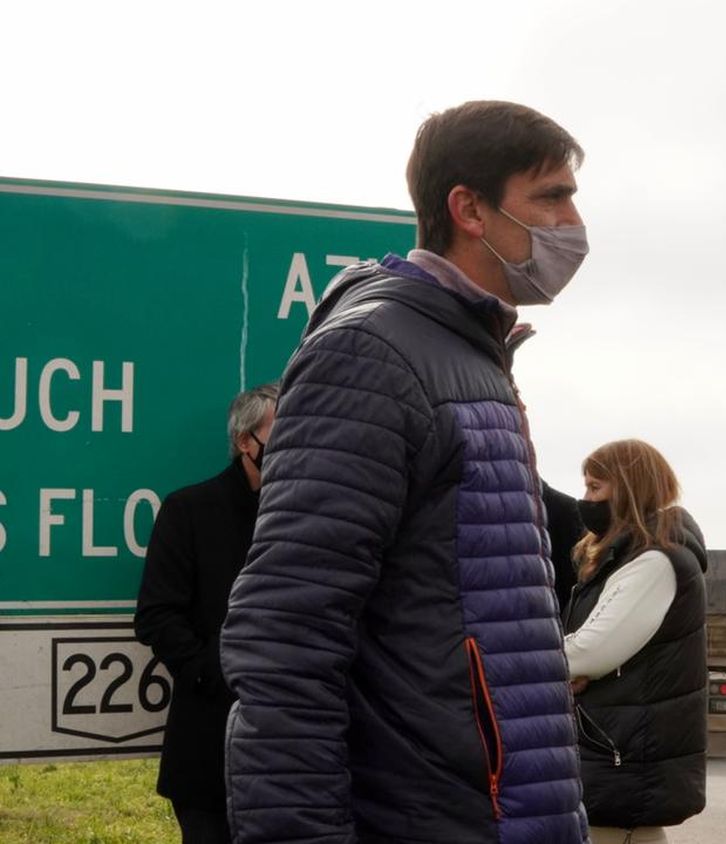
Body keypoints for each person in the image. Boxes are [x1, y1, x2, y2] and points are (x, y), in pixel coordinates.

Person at [219, 101, 590, 843]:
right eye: (550, 196)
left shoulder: (469, 353)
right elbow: (288, 634)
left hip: (505, 818)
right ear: (469, 208)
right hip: (432, 819)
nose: (573, 222)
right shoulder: (372, 355)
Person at [134, 382, 277, 844]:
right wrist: (211, 674)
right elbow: (157, 614)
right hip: (206, 748)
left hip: (289, 755)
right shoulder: (189, 510)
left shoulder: (308, 515)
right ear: (244, 441)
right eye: (283, 431)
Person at [563, 439, 708, 844]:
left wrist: (546, 665)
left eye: (595, 488)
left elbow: (588, 651)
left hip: (623, 762)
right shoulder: (631, 557)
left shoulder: (654, 562)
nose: (586, 499)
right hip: (619, 757)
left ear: (628, 490)